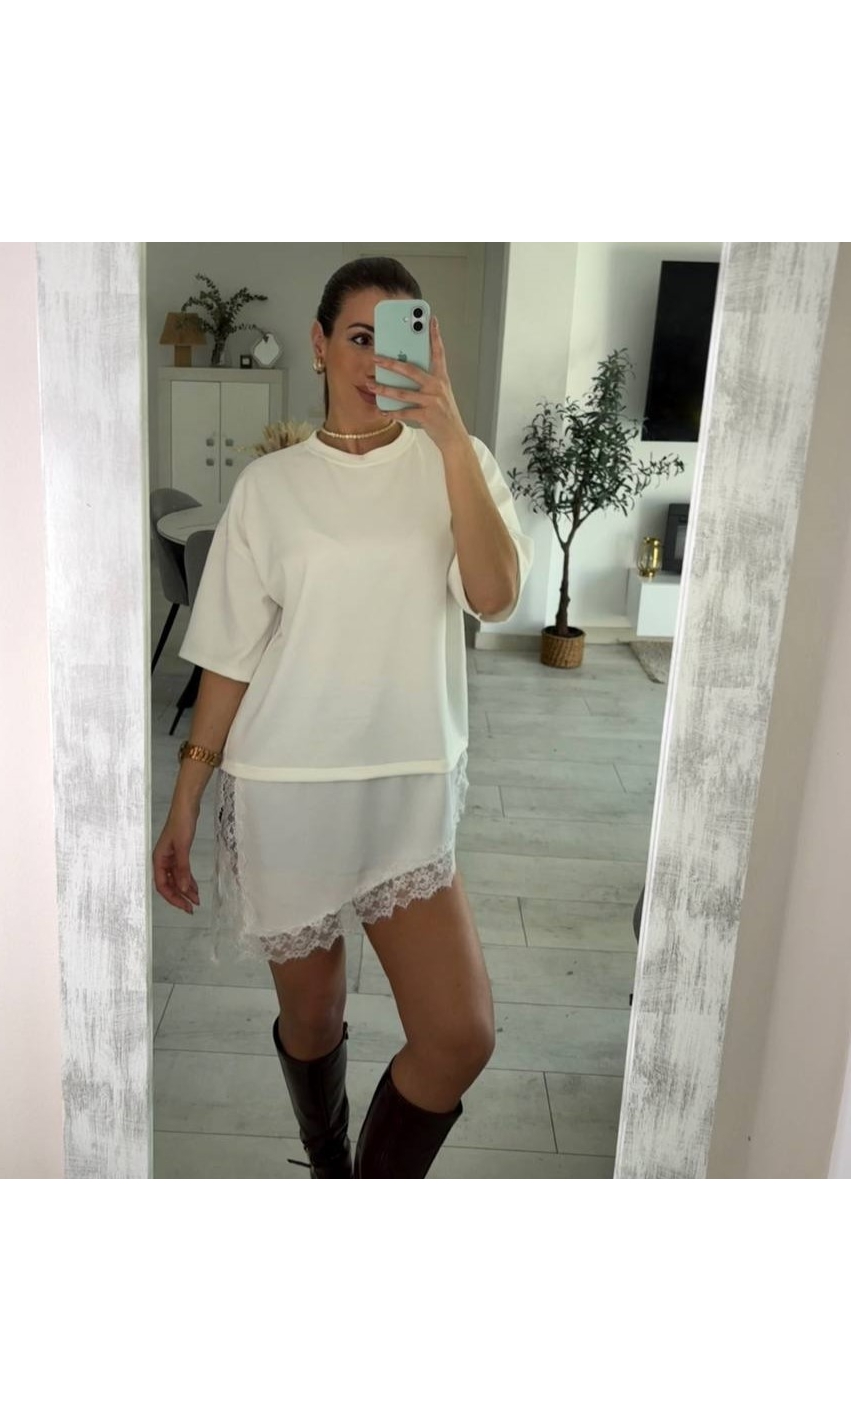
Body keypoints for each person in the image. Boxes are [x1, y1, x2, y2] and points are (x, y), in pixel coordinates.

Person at [152, 257, 534, 1178]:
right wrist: (186, 798)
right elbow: (231, 656)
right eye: (359, 337)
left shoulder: (458, 463)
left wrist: (451, 440)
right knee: (314, 1017)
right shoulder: (270, 486)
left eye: (400, 339)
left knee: (460, 1034)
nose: (377, 359)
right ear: (320, 344)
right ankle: (328, 1163)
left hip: (408, 790)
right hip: (287, 788)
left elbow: (495, 598)